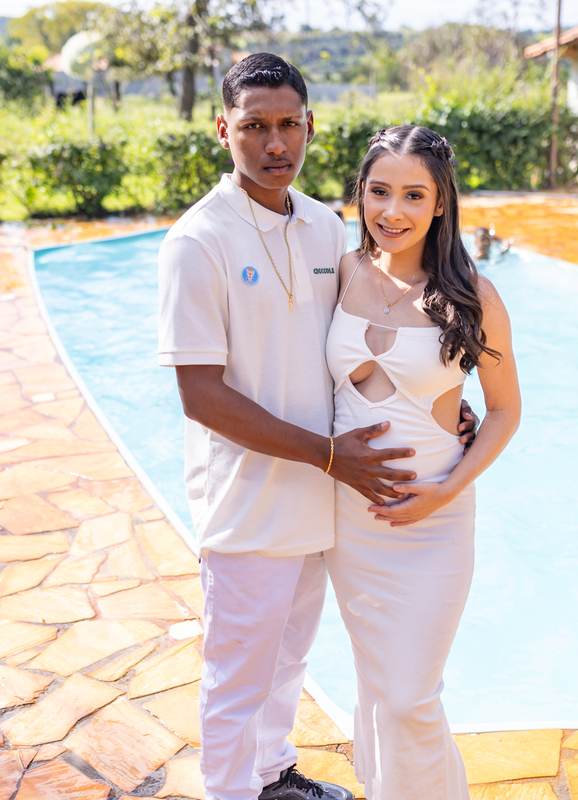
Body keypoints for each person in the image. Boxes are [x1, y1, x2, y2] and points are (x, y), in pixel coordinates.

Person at [157, 55, 476, 800]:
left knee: (289, 658)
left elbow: (359, 341)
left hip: (326, 499)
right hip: (250, 498)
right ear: (223, 130)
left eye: (288, 125)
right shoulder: (196, 243)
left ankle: (272, 774)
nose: (275, 144)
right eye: (254, 127)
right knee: (237, 672)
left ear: (310, 125)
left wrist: (439, 400)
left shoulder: (325, 226)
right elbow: (200, 395)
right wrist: (330, 455)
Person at [324, 125, 522, 800]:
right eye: (379, 191)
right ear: (360, 193)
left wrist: (445, 491)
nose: (393, 211)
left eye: (414, 195)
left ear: (441, 204)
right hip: (349, 522)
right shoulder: (341, 274)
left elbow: (504, 412)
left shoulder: (472, 296)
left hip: (434, 521)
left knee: (411, 696)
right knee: (382, 684)